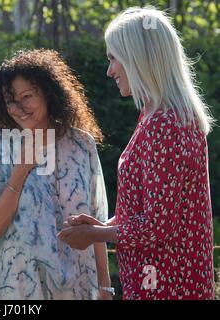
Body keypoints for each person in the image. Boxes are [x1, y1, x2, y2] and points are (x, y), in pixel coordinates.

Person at [58, 7, 216, 300]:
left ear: (138, 57)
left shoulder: (164, 124)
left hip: (168, 286)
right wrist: (105, 226)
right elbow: (154, 208)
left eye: (113, 58)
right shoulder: (160, 116)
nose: (109, 70)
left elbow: (156, 227)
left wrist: (94, 236)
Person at [0, 49, 112, 300]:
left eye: (27, 96)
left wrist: (105, 286)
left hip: (78, 285)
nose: (18, 108)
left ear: (48, 93)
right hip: (20, 287)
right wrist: (20, 172)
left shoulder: (82, 144)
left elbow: (96, 220)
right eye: (10, 100)